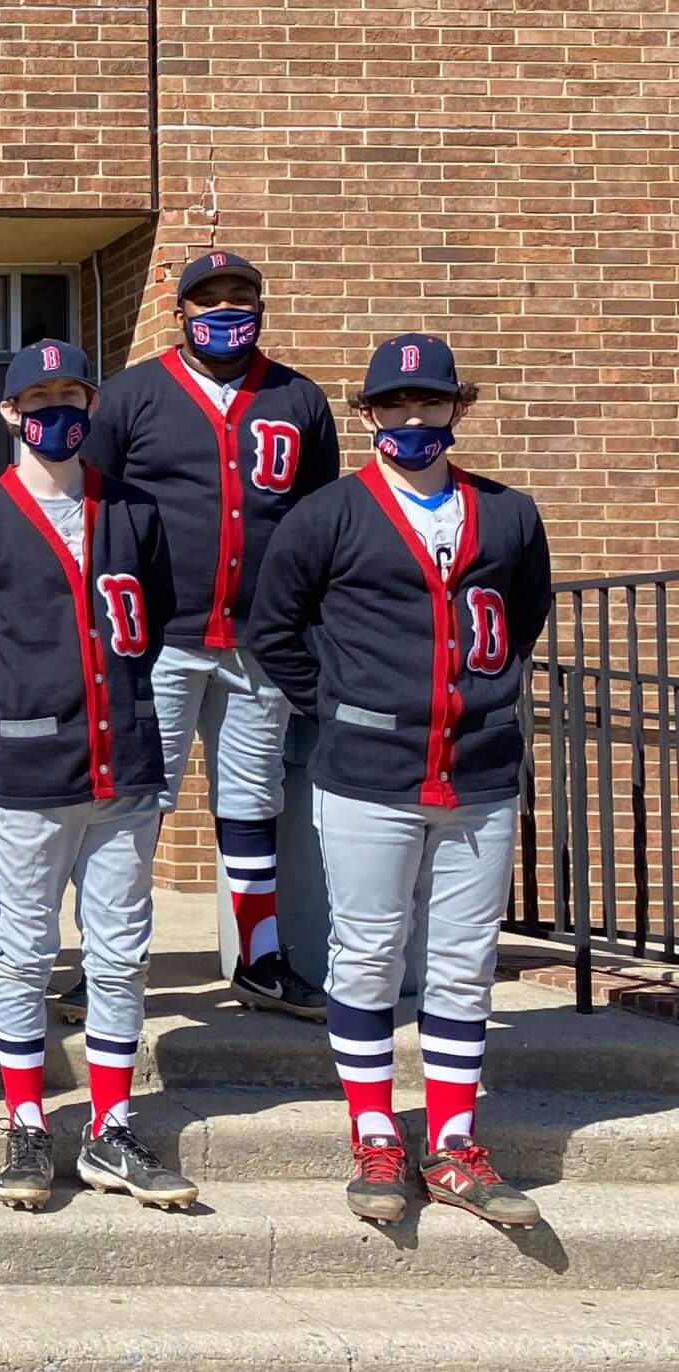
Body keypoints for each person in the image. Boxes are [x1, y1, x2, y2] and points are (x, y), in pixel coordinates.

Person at [247, 334, 551, 1230]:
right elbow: (275, 632)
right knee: (368, 952)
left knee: (462, 963)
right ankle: (376, 1131)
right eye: (395, 406)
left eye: (430, 404)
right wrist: (341, 704)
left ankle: (454, 1139)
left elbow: (521, 618)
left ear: (457, 408)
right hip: (368, 770)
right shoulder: (328, 514)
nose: (413, 420)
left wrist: (477, 700)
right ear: (369, 414)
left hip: (482, 770)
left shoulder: (509, 514)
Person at [0, 340, 196, 1212]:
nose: (55, 413)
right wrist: (1, 711)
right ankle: (28, 1121)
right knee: (24, 948)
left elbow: (150, 625)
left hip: (124, 771)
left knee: (118, 954)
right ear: (8, 412)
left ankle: (111, 1126)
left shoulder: (136, 513)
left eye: (70, 396)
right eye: (37, 399)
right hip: (32, 773)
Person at [76, 250, 339, 1024]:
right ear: (179, 310)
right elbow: (94, 516)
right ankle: (106, 962)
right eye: (208, 299)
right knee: (135, 802)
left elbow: (320, 519)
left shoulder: (299, 398)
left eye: (240, 297)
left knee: (250, 807)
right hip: (156, 639)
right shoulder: (131, 396)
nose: (225, 311)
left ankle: (258, 961)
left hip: (261, 640)